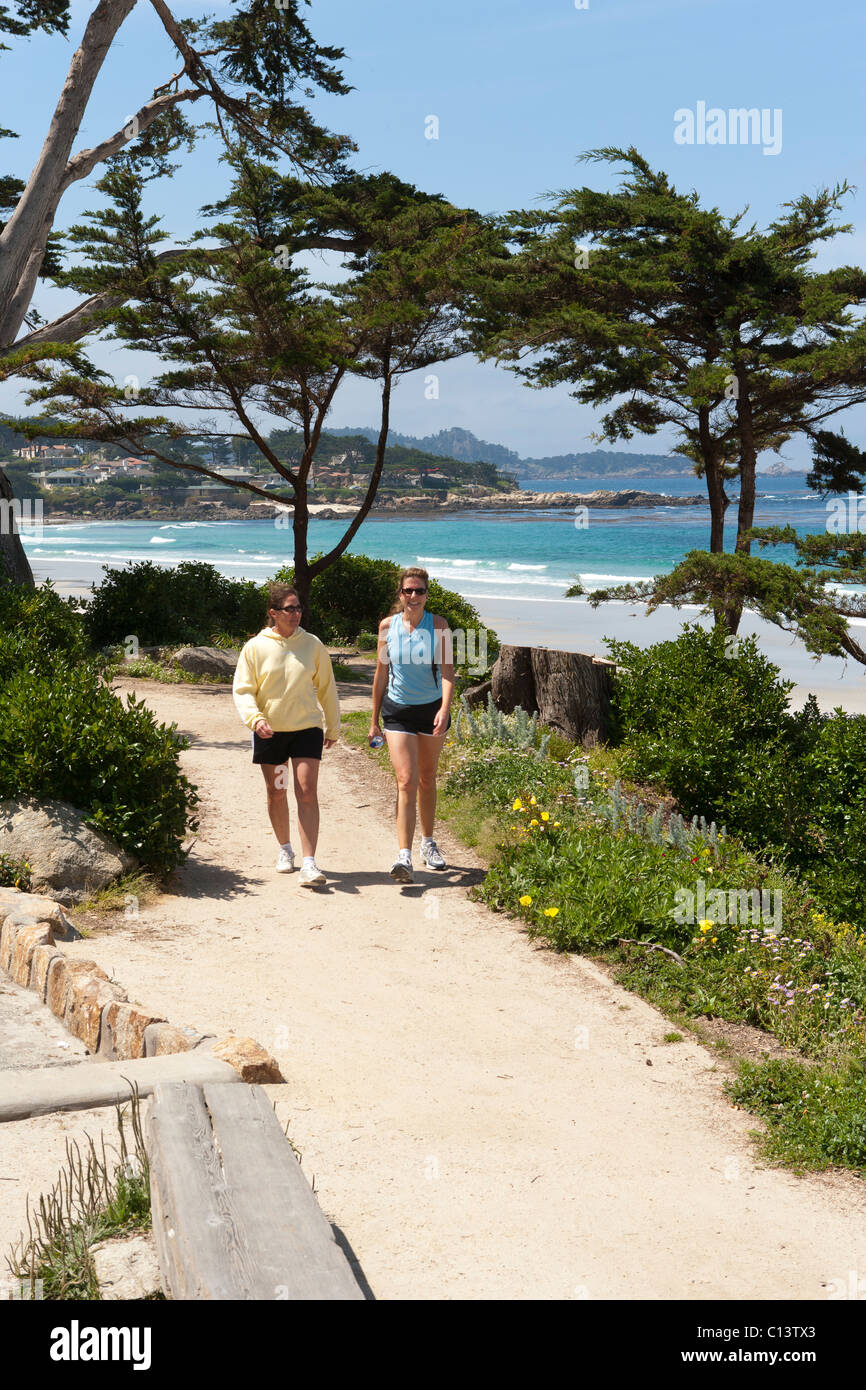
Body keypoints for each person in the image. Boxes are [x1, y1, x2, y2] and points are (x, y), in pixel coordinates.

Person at [233, 582, 339, 886]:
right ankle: (284, 849)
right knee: (277, 792)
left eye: (298, 608)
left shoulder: (313, 645)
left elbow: (327, 687)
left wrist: (332, 725)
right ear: (273, 612)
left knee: (306, 790)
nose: (296, 614)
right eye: (289, 608)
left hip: (306, 729)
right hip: (271, 733)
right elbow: (243, 689)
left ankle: (309, 863)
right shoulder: (255, 647)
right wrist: (255, 719)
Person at [370, 566, 454, 883]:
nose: (414, 596)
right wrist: (374, 719)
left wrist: (445, 708)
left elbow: (448, 672)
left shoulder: (440, 626)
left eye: (419, 590)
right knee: (406, 780)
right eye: (408, 590)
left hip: (431, 710)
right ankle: (403, 856)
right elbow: (380, 676)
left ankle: (428, 842)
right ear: (400, 594)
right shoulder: (386, 627)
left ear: (427, 594)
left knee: (427, 779)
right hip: (397, 711)